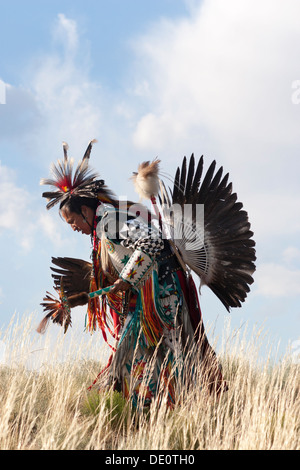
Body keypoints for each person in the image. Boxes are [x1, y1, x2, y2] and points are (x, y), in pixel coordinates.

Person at [39, 140, 256, 408]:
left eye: (72, 221)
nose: (72, 227)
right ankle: (150, 409)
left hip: (161, 297)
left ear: (84, 210)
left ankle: (169, 408)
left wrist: (126, 277)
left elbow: (152, 241)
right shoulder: (103, 226)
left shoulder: (108, 219)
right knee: (146, 354)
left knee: (166, 353)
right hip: (150, 298)